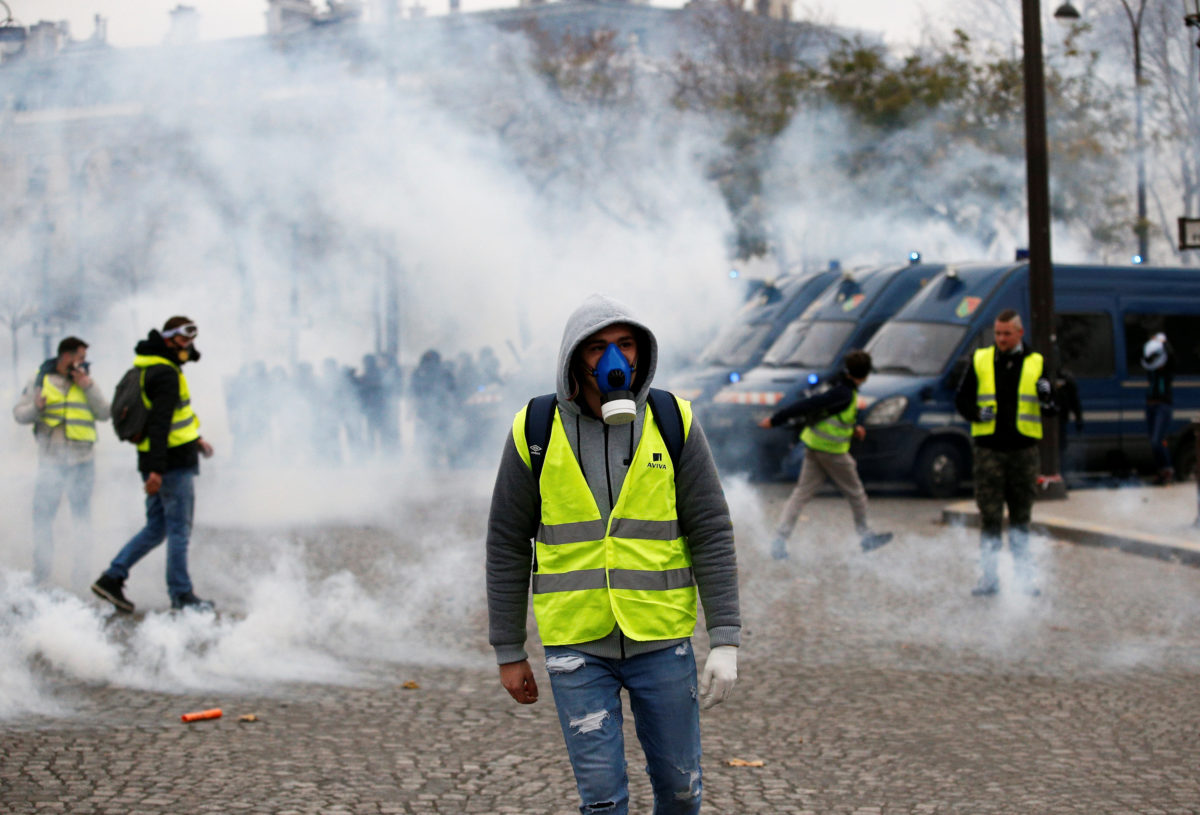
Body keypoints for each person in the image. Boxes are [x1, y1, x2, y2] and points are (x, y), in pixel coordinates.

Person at [486, 294, 740, 815]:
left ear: (642, 352)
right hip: (576, 644)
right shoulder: (534, 431)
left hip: (661, 639)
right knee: (601, 801)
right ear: (575, 356)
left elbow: (711, 530)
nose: (613, 360)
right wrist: (508, 650)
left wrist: (726, 640)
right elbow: (507, 544)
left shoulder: (674, 422)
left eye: (624, 345)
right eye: (598, 347)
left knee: (681, 791)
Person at [91, 316, 215, 614]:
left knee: (157, 528)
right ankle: (182, 595)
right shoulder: (166, 373)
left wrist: (195, 439)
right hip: (171, 463)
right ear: (169, 339)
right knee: (178, 531)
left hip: (158, 459)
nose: (188, 347)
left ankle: (112, 577)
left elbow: (172, 419)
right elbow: (159, 425)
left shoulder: (150, 364)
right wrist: (158, 471)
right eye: (183, 341)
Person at [758, 349, 893, 560]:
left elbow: (832, 416)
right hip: (833, 453)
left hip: (813, 447)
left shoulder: (838, 385)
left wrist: (853, 428)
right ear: (866, 375)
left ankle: (779, 540)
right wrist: (777, 419)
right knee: (857, 494)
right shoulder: (845, 393)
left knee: (801, 494)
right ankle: (866, 536)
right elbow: (809, 406)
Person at [955, 310, 1054, 597]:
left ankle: (1024, 580)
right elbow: (961, 399)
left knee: (1022, 518)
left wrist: (1047, 396)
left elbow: (1051, 409)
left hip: (1023, 452)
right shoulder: (980, 359)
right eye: (997, 334)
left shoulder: (1036, 363)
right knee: (990, 517)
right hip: (989, 451)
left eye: (1006, 334)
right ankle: (989, 579)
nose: (1001, 339)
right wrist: (975, 413)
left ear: (1019, 334)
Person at [12, 336, 111, 587]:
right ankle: (41, 573)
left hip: (82, 461)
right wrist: (36, 408)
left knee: (82, 520)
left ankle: (81, 575)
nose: (83, 363)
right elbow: (19, 415)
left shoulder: (87, 382)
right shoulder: (40, 379)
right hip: (51, 462)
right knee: (43, 518)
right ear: (65, 357)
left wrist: (88, 386)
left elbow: (104, 413)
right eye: (80, 358)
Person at [1141, 332, 1175, 485]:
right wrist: (1151, 342)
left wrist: (1163, 342)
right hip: (1151, 405)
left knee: (1158, 440)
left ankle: (1167, 469)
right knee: (1153, 441)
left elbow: (1171, 355)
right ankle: (1161, 470)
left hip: (1163, 405)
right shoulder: (1151, 370)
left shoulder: (1168, 371)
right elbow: (1145, 355)